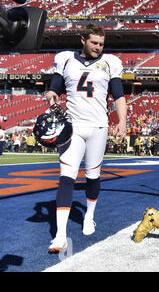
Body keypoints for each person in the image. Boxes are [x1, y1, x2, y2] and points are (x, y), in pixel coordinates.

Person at [45, 23, 127, 253]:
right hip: (73, 126)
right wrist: (51, 96)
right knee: (66, 176)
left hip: (98, 126)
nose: (98, 47)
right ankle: (60, 235)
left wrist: (122, 121)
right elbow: (55, 88)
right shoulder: (65, 59)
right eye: (94, 43)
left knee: (93, 176)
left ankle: (88, 216)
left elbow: (119, 95)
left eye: (101, 44)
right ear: (83, 39)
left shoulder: (111, 62)